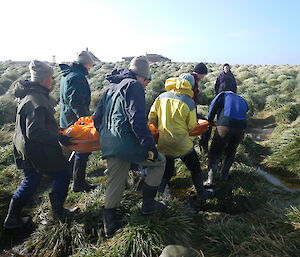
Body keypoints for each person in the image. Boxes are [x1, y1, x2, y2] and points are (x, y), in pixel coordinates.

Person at [93, 56, 167, 238]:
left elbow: (96, 117)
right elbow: (137, 119)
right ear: (142, 75)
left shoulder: (110, 86)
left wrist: (106, 134)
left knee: (116, 179)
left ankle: (109, 224)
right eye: (147, 79)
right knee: (159, 161)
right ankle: (148, 205)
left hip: (109, 141)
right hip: (125, 141)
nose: (146, 83)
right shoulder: (134, 86)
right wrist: (149, 146)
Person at [3, 60, 78, 229]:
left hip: (25, 146)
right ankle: (58, 212)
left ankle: (11, 219)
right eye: (51, 77)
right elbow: (35, 132)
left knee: (31, 179)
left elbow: (38, 126)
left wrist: (57, 130)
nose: (53, 80)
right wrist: (59, 137)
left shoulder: (30, 94)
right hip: (35, 148)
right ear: (44, 79)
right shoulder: (37, 99)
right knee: (62, 172)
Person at [148, 73, 214, 201]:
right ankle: (201, 193)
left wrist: (161, 128)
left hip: (164, 143)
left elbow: (151, 117)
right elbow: (191, 125)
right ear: (190, 85)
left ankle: (158, 198)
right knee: (195, 167)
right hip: (181, 144)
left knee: (166, 172)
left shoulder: (161, 97)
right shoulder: (188, 102)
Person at [59, 51, 96, 192]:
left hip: (67, 117)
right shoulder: (77, 77)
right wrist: (86, 121)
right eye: (90, 65)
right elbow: (77, 103)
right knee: (82, 150)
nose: (90, 68)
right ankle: (78, 183)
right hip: (75, 120)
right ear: (86, 64)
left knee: (76, 150)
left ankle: (72, 178)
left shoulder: (68, 74)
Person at [204, 90, 249, 187]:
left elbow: (213, 107)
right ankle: (224, 176)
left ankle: (210, 180)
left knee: (214, 152)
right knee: (231, 151)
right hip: (241, 127)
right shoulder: (242, 99)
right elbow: (246, 110)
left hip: (225, 124)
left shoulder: (222, 95)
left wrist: (209, 122)